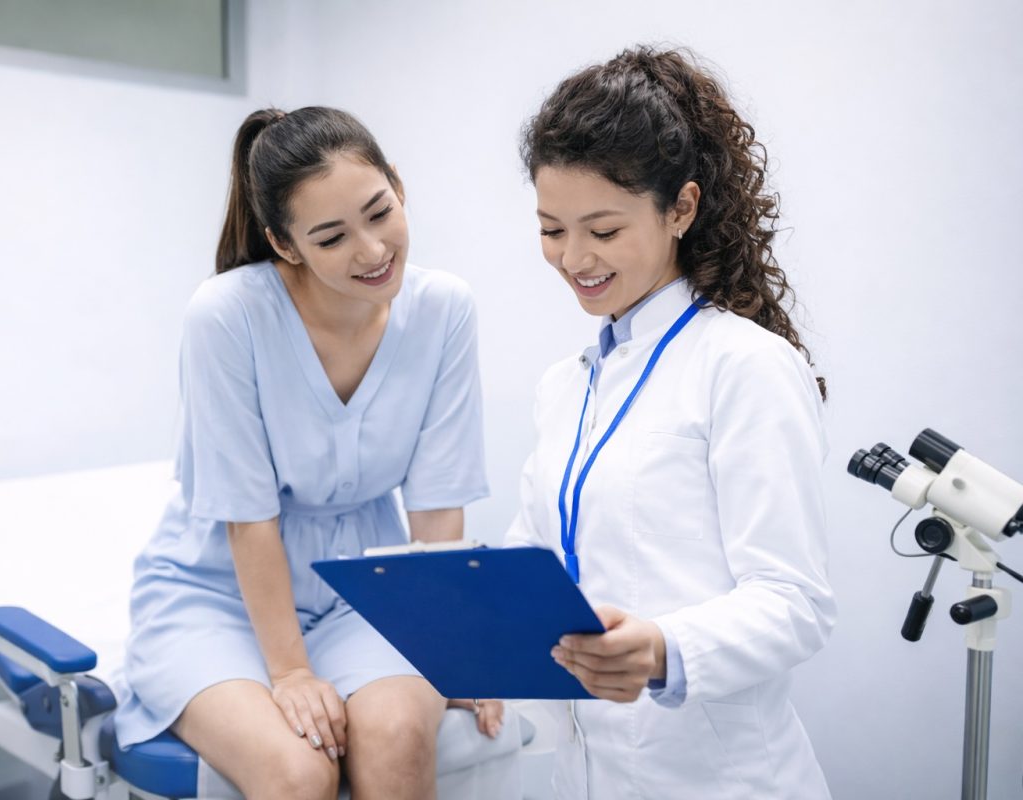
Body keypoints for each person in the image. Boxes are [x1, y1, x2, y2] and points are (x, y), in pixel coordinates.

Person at [112, 106, 503, 800]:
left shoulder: (444, 309)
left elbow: (437, 505)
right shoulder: (227, 315)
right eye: (332, 237)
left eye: (379, 213)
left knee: (399, 737)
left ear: (398, 186)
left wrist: (451, 643)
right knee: (299, 771)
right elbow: (247, 517)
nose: (372, 249)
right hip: (218, 596)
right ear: (285, 246)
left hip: (367, 587)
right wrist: (290, 672)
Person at [505, 47, 836, 799]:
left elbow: (796, 602)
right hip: (586, 774)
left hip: (722, 780)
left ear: (680, 208)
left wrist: (664, 647)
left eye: (603, 229)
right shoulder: (567, 385)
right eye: (552, 229)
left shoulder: (745, 366)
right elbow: (536, 565)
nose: (574, 257)